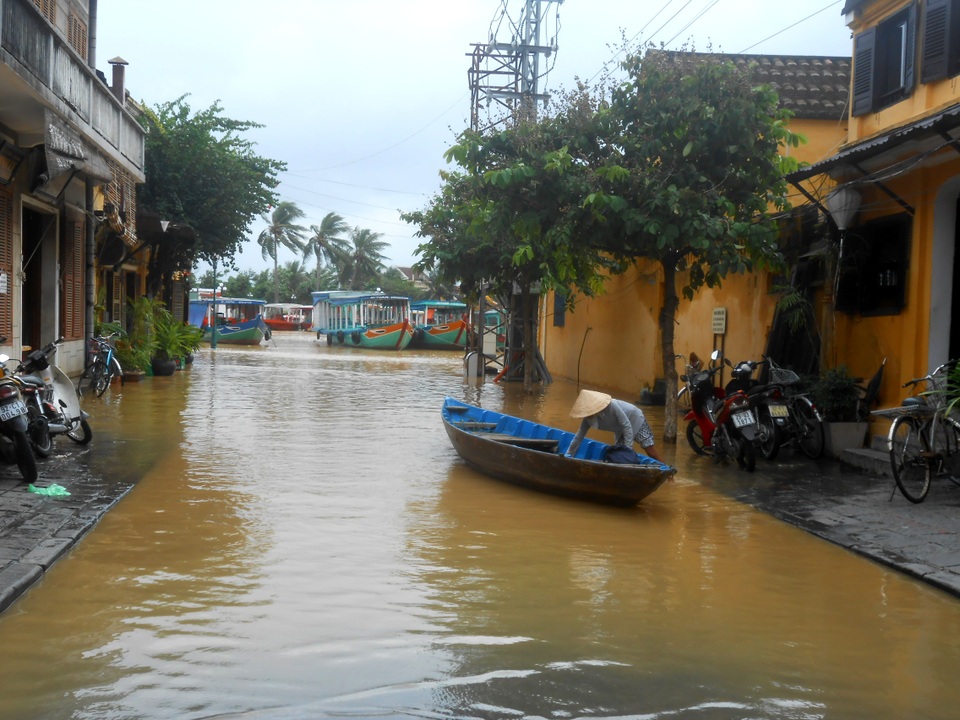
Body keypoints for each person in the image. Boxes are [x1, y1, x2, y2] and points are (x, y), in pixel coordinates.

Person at [565, 389, 663, 462]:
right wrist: (568, 455)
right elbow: (578, 437)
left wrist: (628, 449)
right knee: (619, 457)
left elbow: (626, 425)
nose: (587, 415)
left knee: (649, 450)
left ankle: (667, 472)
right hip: (620, 429)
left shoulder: (611, 405)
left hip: (635, 419)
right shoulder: (587, 420)